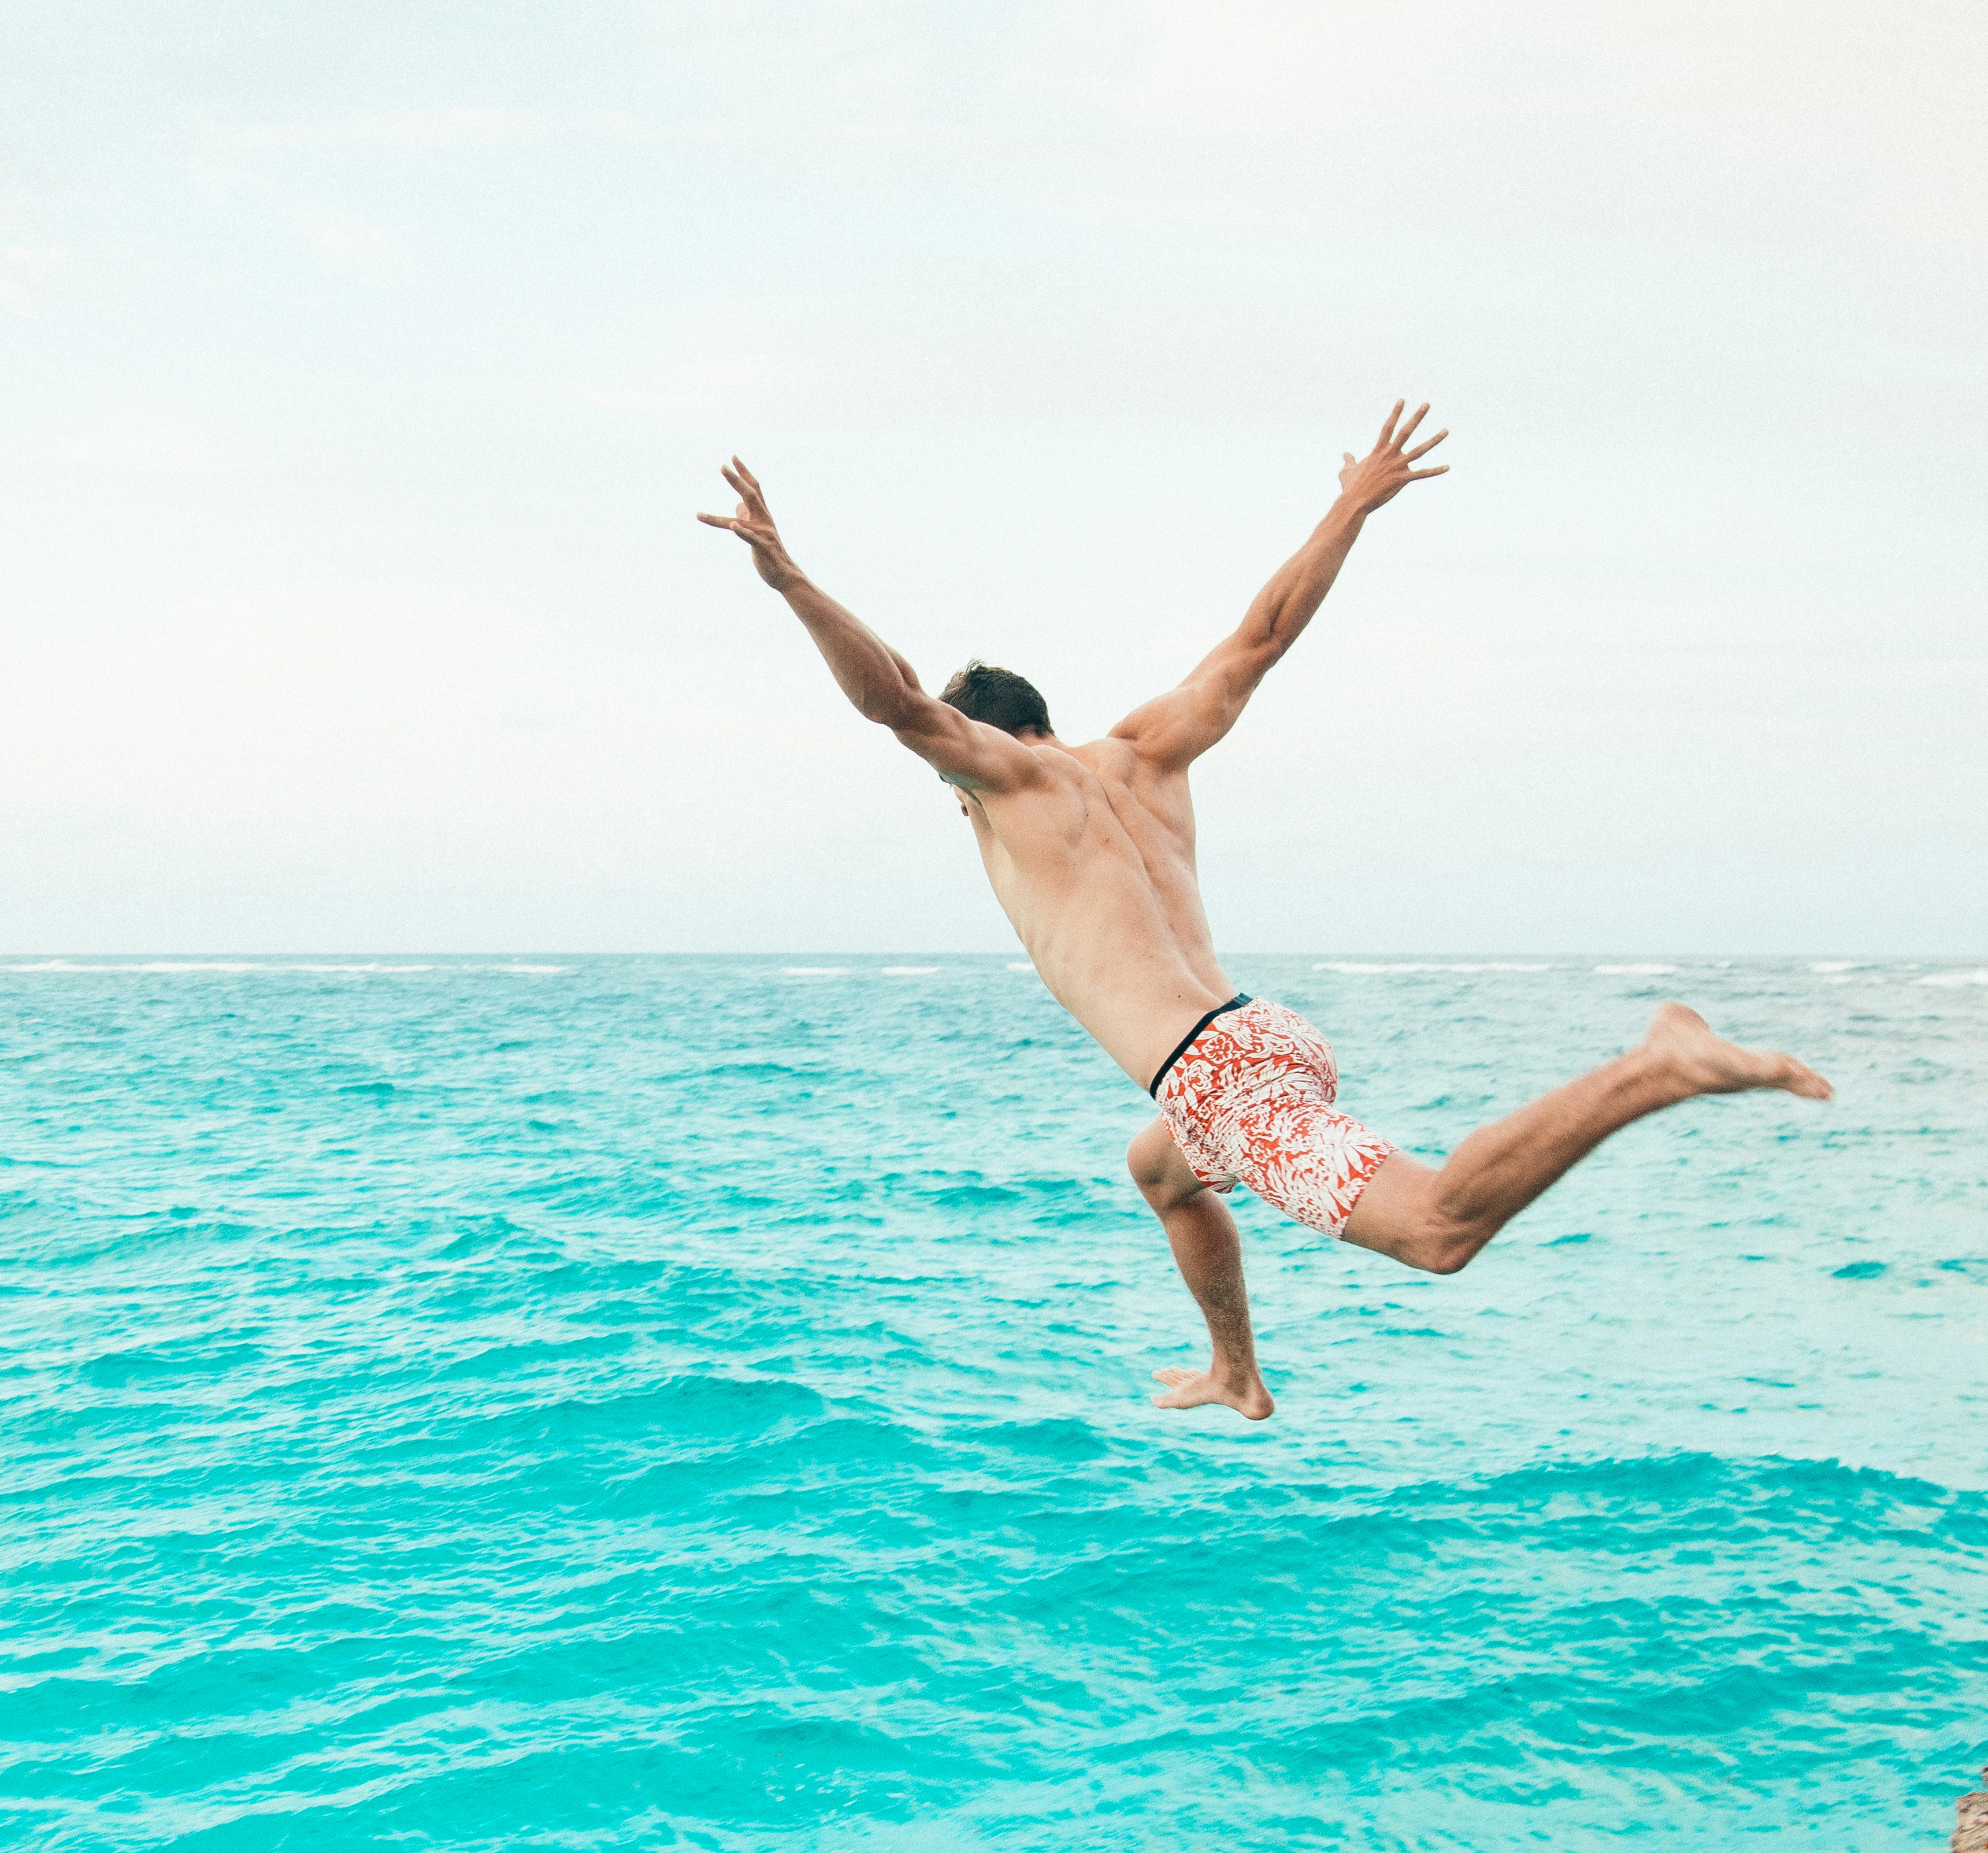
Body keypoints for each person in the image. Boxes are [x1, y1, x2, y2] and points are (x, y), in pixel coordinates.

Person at [699, 403, 1833, 1421]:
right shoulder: (1144, 750)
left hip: (1218, 1075)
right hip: (1262, 1033)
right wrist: (1347, 504)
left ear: (983, 752)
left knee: (1437, 1229)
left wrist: (790, 582)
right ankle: (1234, 1370)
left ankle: (1654, 1065)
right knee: (1158, 1171)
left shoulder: (1004, 783)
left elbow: (890, 699)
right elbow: (1259, 639)